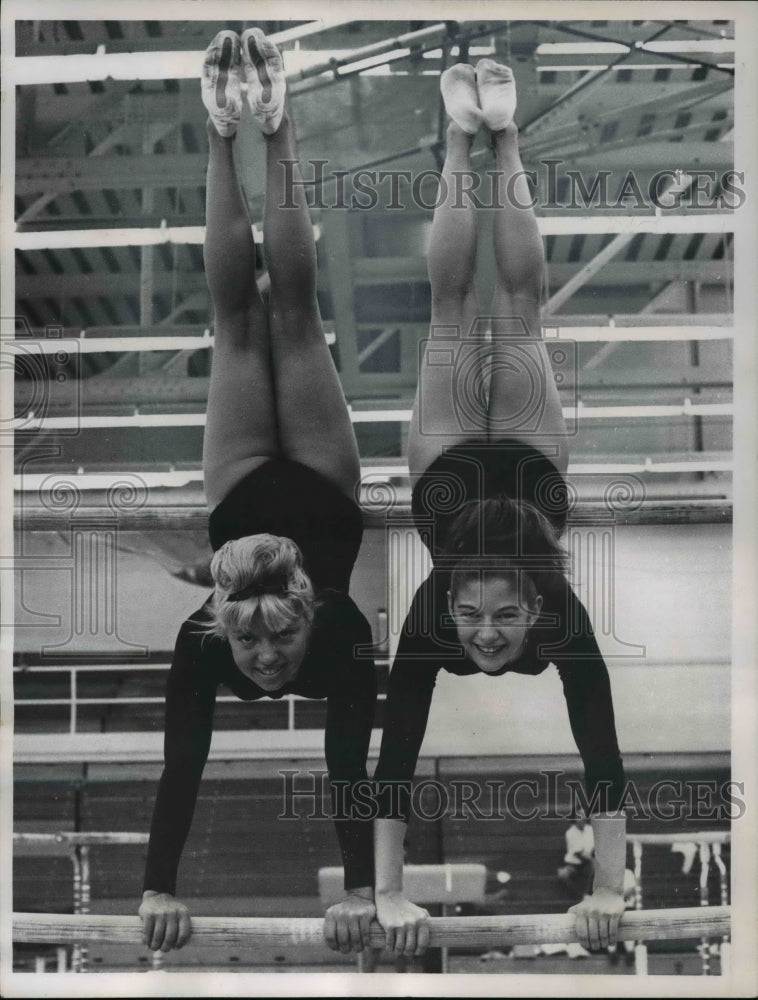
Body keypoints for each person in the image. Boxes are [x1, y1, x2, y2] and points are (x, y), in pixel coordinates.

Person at [372, 60, 627, 960]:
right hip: (529, 470)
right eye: (487, 621)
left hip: (447, 478)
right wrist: (606, 881)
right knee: (517, 310)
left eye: (493, 620)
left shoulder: (432, 616)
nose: (483, 636)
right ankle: (501, 132)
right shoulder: (556, 609)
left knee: (451, 308)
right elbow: (601, 745)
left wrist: (388, 891)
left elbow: (393, 755)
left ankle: (462, 138)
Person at [138, 29, 377, 957]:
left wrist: (365, 891)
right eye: (256, 639)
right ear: (219, 622)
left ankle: (232, 128)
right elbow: (181, 770)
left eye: (275, 638)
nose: (269, 657)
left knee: (247, 318)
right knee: (289, 312)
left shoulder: (300, 637)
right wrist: (156, 889)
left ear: (309, 614)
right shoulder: (236, 641)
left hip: (243, 488)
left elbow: (348, 767)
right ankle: (264, 130)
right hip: (323, 480)